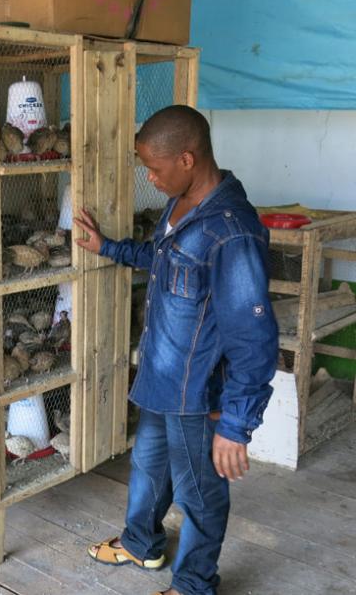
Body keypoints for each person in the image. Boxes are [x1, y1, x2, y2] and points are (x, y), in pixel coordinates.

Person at [75, 105, 278, 595]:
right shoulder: (184, 204)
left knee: (200, 493)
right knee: (147, 467)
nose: (150, 177)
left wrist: (235, 424)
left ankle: (193, 584)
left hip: (196, 394)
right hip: (162, 379)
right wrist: (108, 247)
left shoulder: (231, 233)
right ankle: (142, 543)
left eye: (154, 167)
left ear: (187, 159)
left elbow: (253, 340)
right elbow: (164, 260)